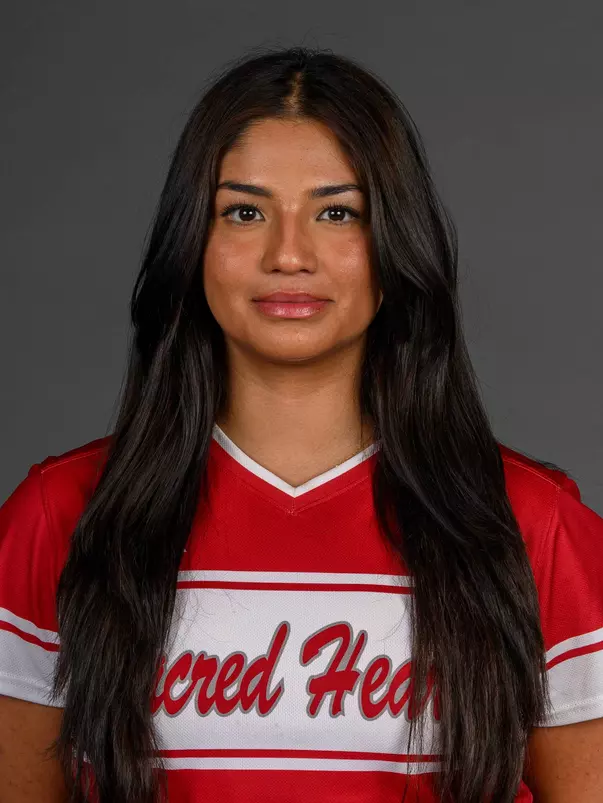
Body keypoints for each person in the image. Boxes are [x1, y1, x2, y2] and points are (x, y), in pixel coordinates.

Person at [0, 46, 602, 803]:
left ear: (394, 246)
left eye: (337, 212)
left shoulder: (534, 526)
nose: (289, 253)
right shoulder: (60, 515)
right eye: (244, 212)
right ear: (194, 244)